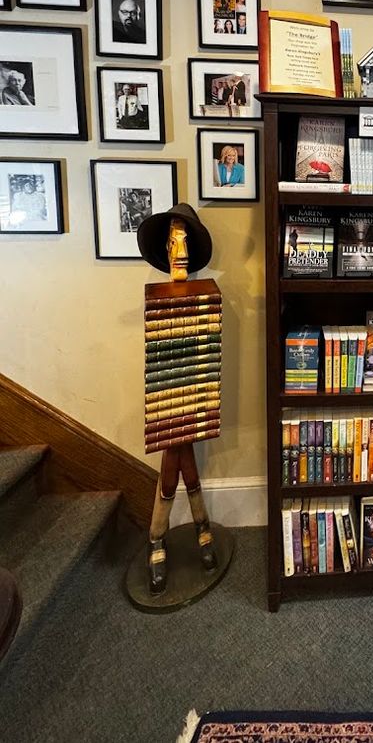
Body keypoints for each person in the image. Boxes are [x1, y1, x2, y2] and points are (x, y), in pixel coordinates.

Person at [135, 204, 220, 596]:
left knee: (178, 444)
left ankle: (158, 535)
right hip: (169, 390)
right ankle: (197, 526)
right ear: (164, 249)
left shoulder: (205, 299)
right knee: (175, 445)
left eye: (184, 240)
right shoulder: (159, 299)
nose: (179, 251)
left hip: (194, 388)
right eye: (173, 241)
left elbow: (206, 349)